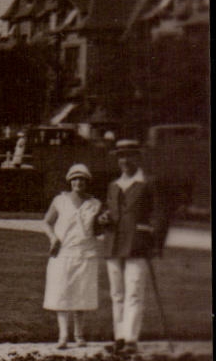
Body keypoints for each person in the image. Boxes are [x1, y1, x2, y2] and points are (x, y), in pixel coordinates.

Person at [96, 139, 170, 350]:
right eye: (121, 156)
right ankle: (119, 338)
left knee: (134, 291)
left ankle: (131, 339)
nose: (125, 160)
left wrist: (156, 243)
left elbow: (160, 215)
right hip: (113, 244)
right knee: (117, 293)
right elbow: (108, 211)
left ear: (138, 157)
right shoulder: (113, 185)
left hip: (137, 245)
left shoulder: (148, 183)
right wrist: (103, 217)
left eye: (129, 155)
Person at [42, 163, 104, 348]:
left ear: (87, 182)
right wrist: (53, 238)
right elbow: (46, 222)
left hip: (86, 254)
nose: (79, 182)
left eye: (83, 179)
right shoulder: (60, 200)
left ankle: (79, 335)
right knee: (61, 293)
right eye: (75, 178)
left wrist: (104, 224)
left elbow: (99, 230)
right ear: (70, 181)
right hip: (62, 253)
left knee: (81, 294)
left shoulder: (95, 204)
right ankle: (63, 336)